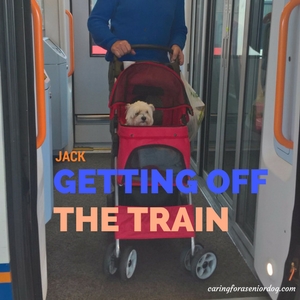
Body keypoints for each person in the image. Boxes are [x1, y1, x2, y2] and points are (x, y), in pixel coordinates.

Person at [87, 0, 188, 92]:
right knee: (126, 112)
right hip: (124, 69)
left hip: (161, 70)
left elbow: (179, 29)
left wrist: (177, 44)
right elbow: (96, 21)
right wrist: (112, 42)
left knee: (162, 112)